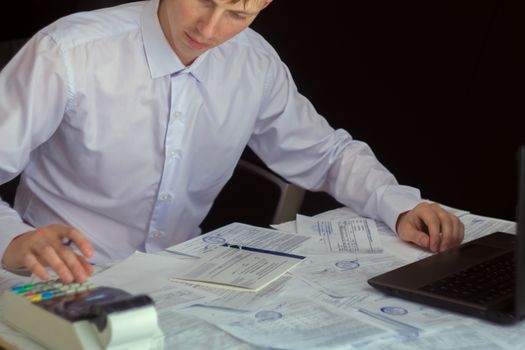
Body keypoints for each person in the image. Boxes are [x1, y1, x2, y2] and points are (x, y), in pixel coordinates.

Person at [0, 0, 464, 283]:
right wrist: (13, 240)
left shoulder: (254, 63)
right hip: (53, 278)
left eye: (237, 14)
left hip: (182, 279)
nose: (209, 29)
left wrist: (397, 204)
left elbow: (327, 155)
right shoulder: (68, 52)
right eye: (203, 0)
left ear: (263, 5)